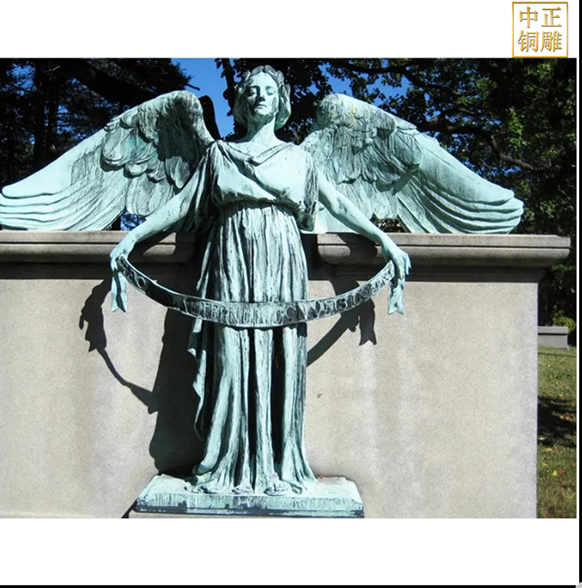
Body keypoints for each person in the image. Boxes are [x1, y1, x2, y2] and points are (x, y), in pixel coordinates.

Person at [110, 66, 411, 495]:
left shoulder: (300, 159)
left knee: (280, 357)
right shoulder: (219, 155)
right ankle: (227, 463)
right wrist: (131, 238)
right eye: (251, 90)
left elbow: (340, 204)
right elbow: (181, 205)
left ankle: (277, 463)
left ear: (281, 101)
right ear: (241, 102)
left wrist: (385, 241)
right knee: (229, 358)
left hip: (281, 262)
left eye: (269, 90)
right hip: (230, 260)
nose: (259, 97)